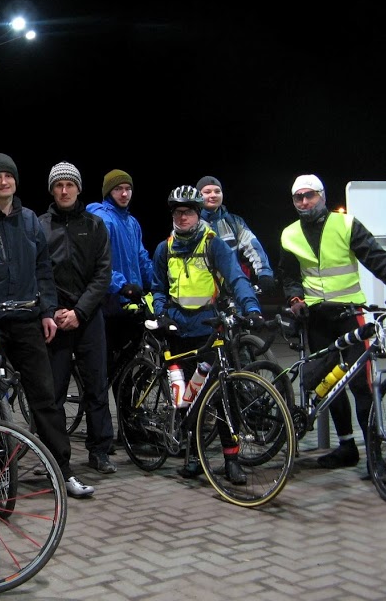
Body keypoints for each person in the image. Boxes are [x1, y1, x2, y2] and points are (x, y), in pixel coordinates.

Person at [0, 152, 95, 499]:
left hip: (27, 319)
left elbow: (43, 269)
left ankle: (62, 471)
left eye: (9, 176)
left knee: (45, 398)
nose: (4, 182)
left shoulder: (30, 220)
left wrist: (47, 311)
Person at [278, 173, 386, 476]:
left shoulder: (345, 224)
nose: (304, 202)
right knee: (328, 386)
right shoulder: (289, 234)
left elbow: (379, 261)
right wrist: (295, 299)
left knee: (361, 385)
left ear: (322, 196)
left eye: (310, 195)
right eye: (298, 197)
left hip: (350, 314)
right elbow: (289, 275)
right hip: (315, 317)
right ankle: (346, 447)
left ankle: (374, 456)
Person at [151, 185, 264, 484]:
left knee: (221, 396)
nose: (183, 217)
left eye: (188, 212)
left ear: (198, 214)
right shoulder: (165, 248)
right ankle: (193, 457)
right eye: (178, 212)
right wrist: (161, 313)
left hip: (208, 329)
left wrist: (252, 308)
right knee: (186, 398)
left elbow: (236, 278)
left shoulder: (213, 244)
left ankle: (231, 459)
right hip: (177, 331)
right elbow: (158, 287)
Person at [38, 162, 115, 474]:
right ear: (52, 190)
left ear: (79, 188)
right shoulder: (40, 226)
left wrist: (80, 312)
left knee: (97, 387)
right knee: (52, 393)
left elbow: (103, 273)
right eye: (58, 185)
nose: (64, 190)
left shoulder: (95, 225)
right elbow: (38, 273)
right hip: (54, 319)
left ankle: (100, 452)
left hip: (88, 317)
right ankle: (55, 456)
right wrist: (51, 310)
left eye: (70, 184)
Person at [86, 170, 154, 379]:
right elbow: (97, 262)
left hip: (129, 305)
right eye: (118, 189)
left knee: (126, 370)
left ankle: (124, 399)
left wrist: (158, 282)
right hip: (108, 305)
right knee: (106, 369)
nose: (124, 194)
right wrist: (121, 285)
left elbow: (141, 258)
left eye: (127, 189)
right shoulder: (103, 219)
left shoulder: (132, 223)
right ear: (108, 192)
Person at [196, 176, 276, 296]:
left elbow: (253, 246)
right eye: (207, 192)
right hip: (201, 293)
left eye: (217, 191)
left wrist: (264, 273)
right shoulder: (189, 224)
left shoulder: (234, 222)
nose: (213, 195)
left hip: (232, 291)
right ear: (198, 195)